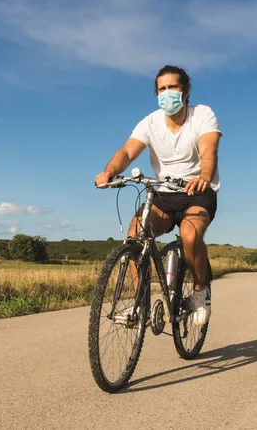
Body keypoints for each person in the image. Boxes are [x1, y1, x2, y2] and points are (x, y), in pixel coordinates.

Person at [95, 65, 222, 326]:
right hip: (163, 195)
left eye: (172, 87)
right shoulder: (150, 122)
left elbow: (209, 151)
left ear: (185, 92)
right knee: (135, 234)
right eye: (162, 89)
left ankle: (200, 290)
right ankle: (140, 300)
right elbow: (127, 152)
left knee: (190, 234)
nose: (167, 93)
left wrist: (204, 177)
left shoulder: (202, 115)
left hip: (196, 192)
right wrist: (109, 171)